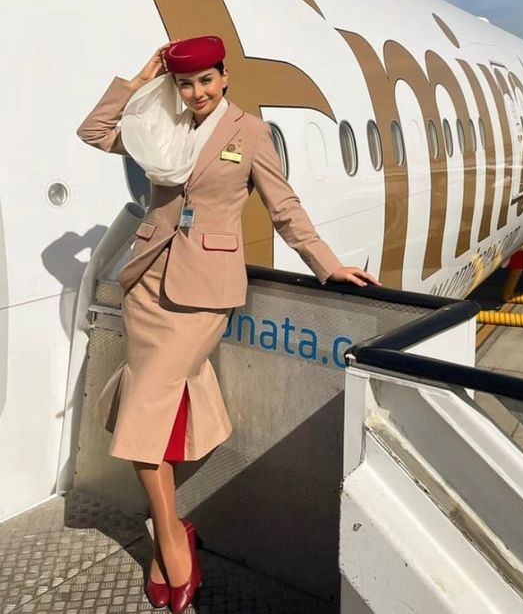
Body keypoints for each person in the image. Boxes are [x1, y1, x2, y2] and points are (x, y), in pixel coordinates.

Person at [77, 35, 378, 613]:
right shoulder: (160, 125)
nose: (196, 93)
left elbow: (284, 206)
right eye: (186, 84)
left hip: (205, 291)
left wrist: (327, 264)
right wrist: (141, 81)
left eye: (206, 81)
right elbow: (94, 131)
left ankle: (168, 538)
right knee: (150, 414)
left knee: (143, 413)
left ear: (224, 77)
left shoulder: (249, 133)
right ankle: (173, 534)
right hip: (147, 284)